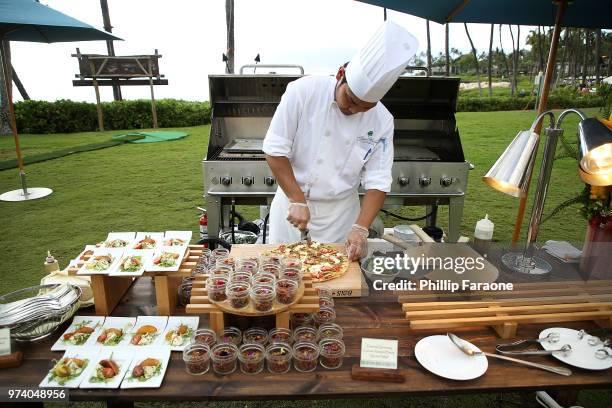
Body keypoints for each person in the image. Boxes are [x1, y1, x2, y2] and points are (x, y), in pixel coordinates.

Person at [262, 20, 417, 260]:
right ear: (340, 74)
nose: (354, 110)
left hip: (340, 216)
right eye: (351, 99)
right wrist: (296, 198)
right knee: (284, 277)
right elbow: (275, 149)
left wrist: (360, 227)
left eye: (364, 108)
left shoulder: (382, 120)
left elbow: (378, 179)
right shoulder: (302, 92)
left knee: (333, 286)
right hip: (291, 209)